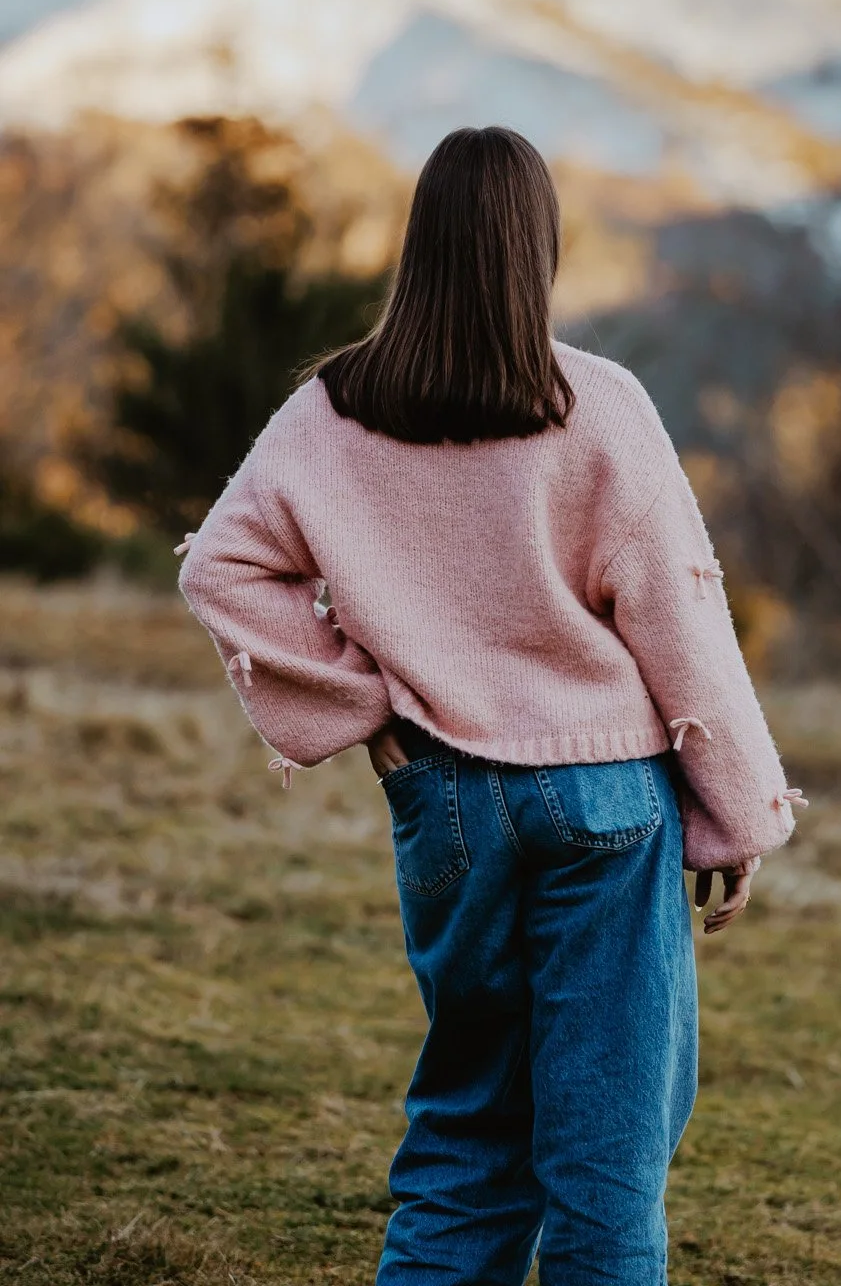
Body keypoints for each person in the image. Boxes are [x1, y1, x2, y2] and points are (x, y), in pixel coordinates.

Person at [177, 126, 803, 1286]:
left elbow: (219, 566)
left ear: (420, 246)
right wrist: (739, 814)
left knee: (468, 1136)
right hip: (611, 800)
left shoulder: (330, 409)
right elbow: (680, 616)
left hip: (448, 801)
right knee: (606, 1167)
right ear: (538, 250)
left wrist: (366, 710)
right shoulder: (601, 405)